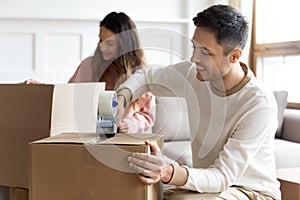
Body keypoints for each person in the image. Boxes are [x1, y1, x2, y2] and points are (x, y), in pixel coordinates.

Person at [117, 4, 281, 200]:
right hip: (209, 184)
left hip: (251, 191)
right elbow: (147, 76)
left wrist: (168, 172)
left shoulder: (258, 104)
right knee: (133, 188)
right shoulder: (195, 74)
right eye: (194, 47)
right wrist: (122, 98)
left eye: (206, 52)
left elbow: (222, 176)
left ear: (235, 56)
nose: (194, 58)